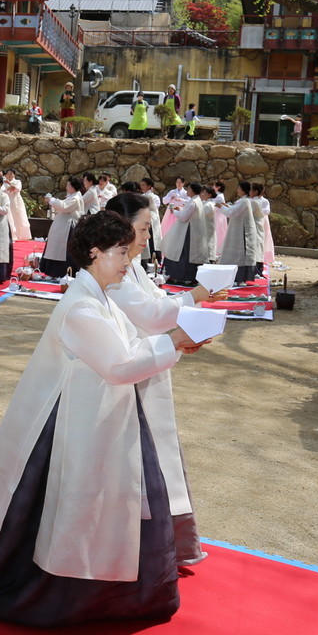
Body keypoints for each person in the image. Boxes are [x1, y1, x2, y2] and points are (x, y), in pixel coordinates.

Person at [0, 210, 201, 627]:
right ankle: (81, 593)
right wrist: (174, 343)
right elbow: (120, 366)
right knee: (75, 508)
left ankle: (115, 591)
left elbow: (127, 353)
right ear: (94, 253)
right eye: (121, 252)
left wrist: (173, 344)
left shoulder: (100, 296)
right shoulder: (81, 307)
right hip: (81, 423)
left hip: (103, 416)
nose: (129, 260)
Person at [103, 192, 218, 569]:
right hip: (125, 378)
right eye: (142, 228)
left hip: (147, 366)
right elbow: (152, 315)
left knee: (156, 461)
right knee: (138, 467)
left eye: (148, 229)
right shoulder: (111, 271)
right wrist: (197, 298)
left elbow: (158, 303)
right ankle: (136, 552)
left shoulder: (132, 266)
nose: (146, 236)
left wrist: (183, 333)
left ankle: (158, 548)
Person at [217, 181, 265, 285]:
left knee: (238, 256)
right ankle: (237, 278)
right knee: (236, 256)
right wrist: (225, 206)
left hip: (241, 233)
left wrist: (220, 207)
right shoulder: (244, 201)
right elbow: (234, 210)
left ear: (243, 191)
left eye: (239, 188)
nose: (237, 190)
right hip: (238, 231)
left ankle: (239, 278)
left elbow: (232, 213)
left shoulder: (245, 202)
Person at [161, 182, 206, 286]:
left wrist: (174, 211)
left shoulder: (193, 202)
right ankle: (187, 277)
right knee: (187, 255)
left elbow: (184, 217)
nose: (188, 191)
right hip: (193, 231)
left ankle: (179, 276)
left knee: (180, 254)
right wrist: (180, 209)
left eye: (189, 189)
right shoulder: (196, 200)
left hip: (187, 232)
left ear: (193, 191)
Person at [39, 177, 83, 278]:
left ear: (73, 186)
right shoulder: (72, 196)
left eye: (68, 185)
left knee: (63, 251)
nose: (66, 187)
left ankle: (63, 272)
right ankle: (54, 271)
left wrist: (52, 200)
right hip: (62, 226)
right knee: (56, 248)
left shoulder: (76, 198)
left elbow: (64, 206)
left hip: (67, 228)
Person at [2, 168, 31, 241]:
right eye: (8, 174)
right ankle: (11, 235)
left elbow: (17, 189)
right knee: (9, 217)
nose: (9, 175)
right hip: (8, 201)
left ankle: (19, 235)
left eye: (11, 173)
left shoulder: (18, 181)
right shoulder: (3, 183)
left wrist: (10, 185)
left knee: (18, 216)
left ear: (14, 175)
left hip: (16, 201)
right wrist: (9, 188)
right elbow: (3, 191)